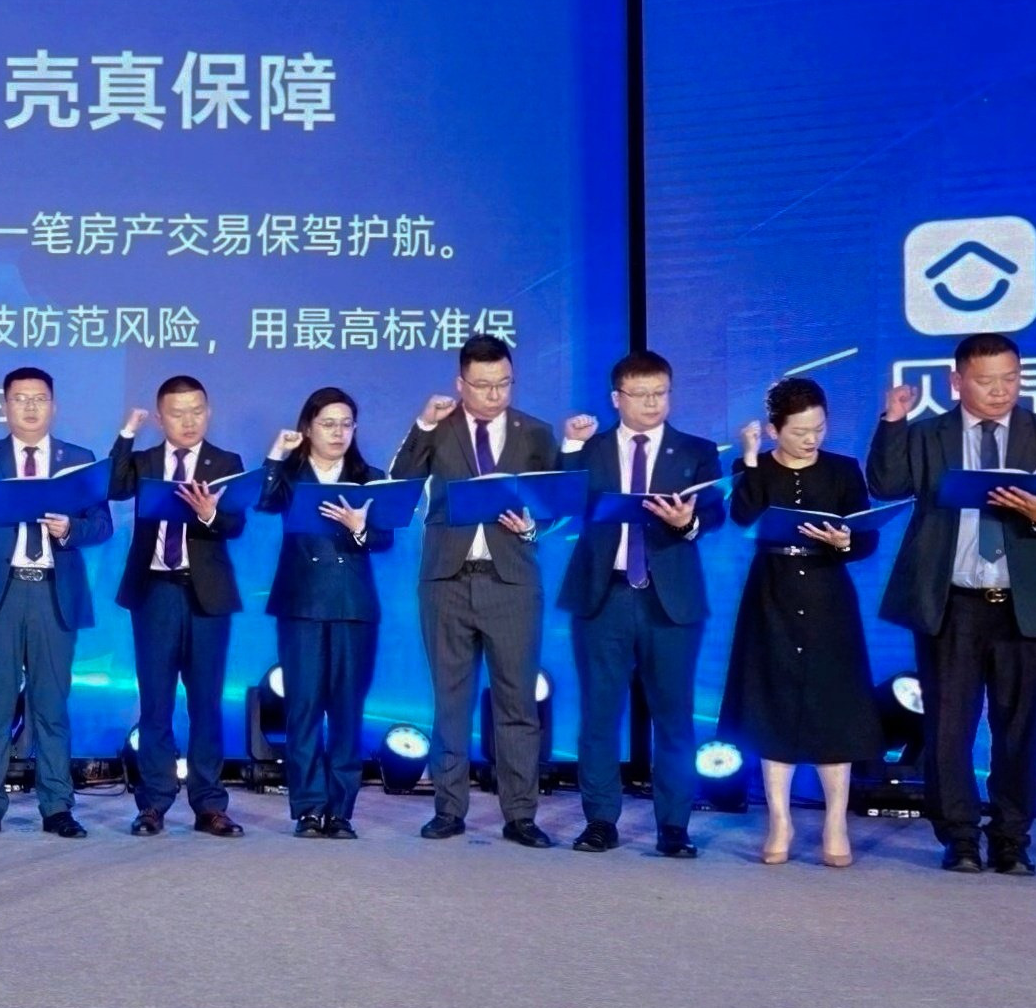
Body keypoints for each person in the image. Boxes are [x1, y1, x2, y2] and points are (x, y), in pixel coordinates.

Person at [868, 332, 1036, 875]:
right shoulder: (928, 435)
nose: (1000, 390)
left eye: (1010, 378)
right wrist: (893, 421)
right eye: (985, 380)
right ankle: (959, 836)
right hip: (951, 603)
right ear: (956, 381)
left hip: (1027, 606)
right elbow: (885, 484)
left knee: (1020, 727)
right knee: (948, 728)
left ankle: (1011, 837)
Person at [390, 331, 560, 848]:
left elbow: (554, 502)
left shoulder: (535, 432)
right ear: (460, 383)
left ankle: (520, 814)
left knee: (517, 703)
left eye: (503, 383)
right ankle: (448, 809)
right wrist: (422, 425)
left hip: (512, 583)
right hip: (447, 581)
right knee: (450, 702)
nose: (494, 394)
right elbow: (400, 483)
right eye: (483, 385)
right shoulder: (438, 428)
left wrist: (532, 526)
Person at [557, 351, 719, 856]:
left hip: (670, 601)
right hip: (603, 595)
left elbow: (713, 513)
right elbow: (562, 503)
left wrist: (686, 523)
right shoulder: (591, 449)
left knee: (674, 716)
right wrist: (570, 447)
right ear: (616, 398)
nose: (653, 403)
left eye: (661, 393)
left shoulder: (696, 450)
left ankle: (674, 825)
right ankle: (600, 821)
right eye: (641, 394)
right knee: (599, 714)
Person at [724, 378, 883, 868]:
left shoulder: (843, 469)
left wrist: (845, 542)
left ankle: (836, 820)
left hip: (827, 593)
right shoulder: (754, 468)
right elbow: (743, 516)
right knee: (772, 704)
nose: (811, 439)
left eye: (819, 428)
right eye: (799, 431)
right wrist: (749, 458)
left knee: (834, 705)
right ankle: (780, 820)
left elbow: (867, 538)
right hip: (770, 592)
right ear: (774, 430)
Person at [0, 365, 111, 839]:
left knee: (51, 704)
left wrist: (71, 529)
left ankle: (57, 806)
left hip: (53, 591)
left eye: (39, 398)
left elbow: (102, 525)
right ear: (5, 406)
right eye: (20, 399)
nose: (30, 407)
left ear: (53, 405)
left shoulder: (77, 459)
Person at [107, 373, 249, 837]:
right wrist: (126, 434)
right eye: (177, 413)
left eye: (197, 411)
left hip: (207, 594)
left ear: (208, 412)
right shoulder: (145, 461)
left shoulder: (226, 462)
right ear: (160, 417)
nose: (189, 421)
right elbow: (113, 487)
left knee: (206, 703)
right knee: (156, 703)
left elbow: (235, 525)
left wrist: (209, 513)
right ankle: (153, 803)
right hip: (155, 592)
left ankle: (209, 804)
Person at [254, 386, 393, 837]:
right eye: (328, 424)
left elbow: (385, 538)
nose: (338, 432)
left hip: (353, 606)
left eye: (346, 424)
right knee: (304, 709)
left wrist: (360, 528)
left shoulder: (369, 477)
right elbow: (263, 500)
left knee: (348, 710)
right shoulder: (290, 474)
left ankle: (341, 811)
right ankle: (309, 808)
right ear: (308, 428)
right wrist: (276, 454)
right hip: (301, 604)